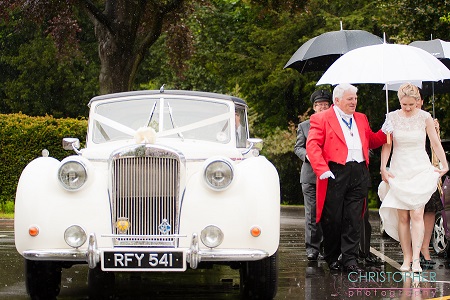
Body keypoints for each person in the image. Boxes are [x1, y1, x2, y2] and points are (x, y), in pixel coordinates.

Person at [306, 83, 390, 273]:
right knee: (333, 219)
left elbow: (373, 140)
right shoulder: (321, 118)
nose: (354, 102)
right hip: (335, 171)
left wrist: (386, 130)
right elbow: (312, 146)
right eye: (350, 99)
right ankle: (333, 257)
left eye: (355, 98)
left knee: (354, 218)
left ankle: (350, 260)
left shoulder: (361, 118)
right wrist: (322, 169)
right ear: (337, 100)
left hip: (359, 171)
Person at [378, 83, 448, 273]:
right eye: (404, 104)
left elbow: (435, 142)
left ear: (417, 101)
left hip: (420, 168)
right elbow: (387, 146)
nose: (408, 108)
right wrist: (383, 167)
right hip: (399, 169)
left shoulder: (425, 117)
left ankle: (416, 259)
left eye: (411, 104)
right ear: (399, 101)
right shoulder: (391, 117)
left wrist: (444, 164)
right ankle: (406, 258)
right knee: (403, 216)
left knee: (417, 213)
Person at [294, 89, 332, 261]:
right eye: (319, 105)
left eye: (325, 105)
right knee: (312, 213)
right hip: (310, 176)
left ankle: (327, 247)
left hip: (330, 175)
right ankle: (312, 248)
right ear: (314, 107)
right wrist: (307, 156)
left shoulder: (335, 124)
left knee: (329, 212)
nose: (322, 108)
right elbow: (298, 147)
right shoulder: (304, 126)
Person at [416, 94, 443, 267]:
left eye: (418, 99)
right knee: (413, 211)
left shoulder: (428, 120)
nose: (415, 103)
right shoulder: (400, 119)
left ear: (422, 101)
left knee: (430, 209)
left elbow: (435, 146)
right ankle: (413, 250)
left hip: (427, 168)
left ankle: (425, 248)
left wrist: (435, 130)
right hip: (409, 168)